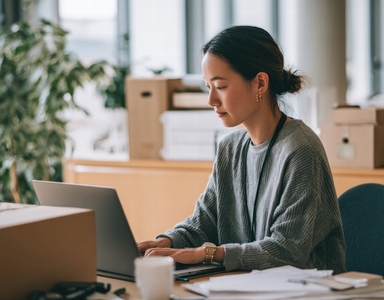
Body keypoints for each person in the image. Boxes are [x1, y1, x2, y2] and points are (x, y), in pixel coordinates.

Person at [137, 25, 346, 274]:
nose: (211, 100)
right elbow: (205, 220)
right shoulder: (230, 148)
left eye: (221, 86)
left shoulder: (301, 150)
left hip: (307, 291)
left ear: (259, 83)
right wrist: (166, 242)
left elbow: (287, 250)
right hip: (248, 286)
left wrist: (207, 254)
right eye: (208, 87)